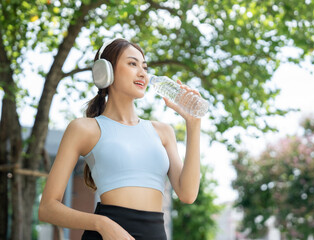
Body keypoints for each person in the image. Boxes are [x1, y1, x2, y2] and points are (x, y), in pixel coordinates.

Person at [38, 38, 201, 240]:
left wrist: (194, 125)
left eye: (145, 67)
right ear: (105, 71)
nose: (143, 73)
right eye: (132, 64)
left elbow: (188, 194)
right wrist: (102, 224)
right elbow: (47, 208)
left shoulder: (163, 131)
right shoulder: (84, 129)